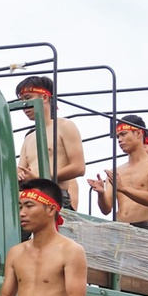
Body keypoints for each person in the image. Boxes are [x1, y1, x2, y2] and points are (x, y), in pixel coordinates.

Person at [15, 76, 86, 210]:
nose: (24, 106)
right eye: (22, 100)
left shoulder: (65, 126)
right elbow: (21, 170)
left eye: (28, 98)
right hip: (29, 199)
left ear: (44, 98)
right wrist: (18, 174)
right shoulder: (29, 137)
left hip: (55, 198)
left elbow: (79, 167)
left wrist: (40, 178)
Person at [86, 114, 148, 231]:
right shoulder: (116, 171)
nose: (119, 140)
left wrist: (123, 188)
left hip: (144, 229)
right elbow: (106, 209)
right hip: (119, 229)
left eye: (123, 134)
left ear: (138, 133)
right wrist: (101, 193)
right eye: (118, 136)